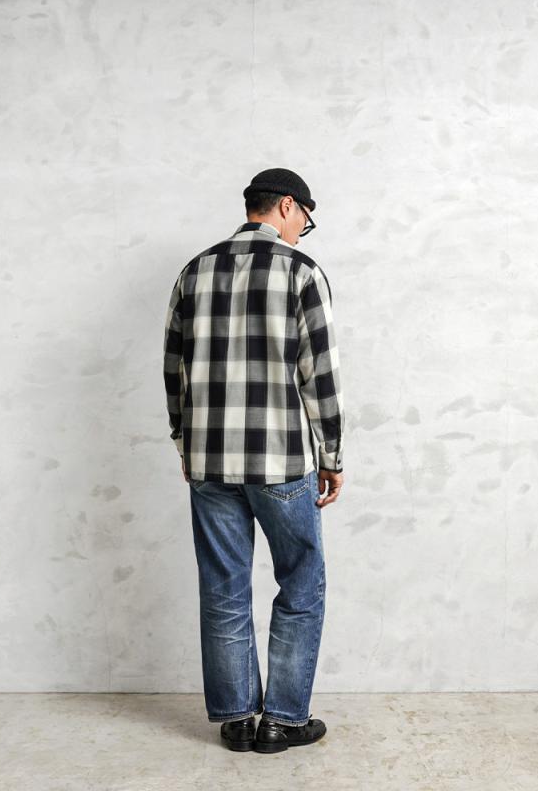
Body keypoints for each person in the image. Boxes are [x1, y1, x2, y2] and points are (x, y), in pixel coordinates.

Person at [163, 168, 345, 753]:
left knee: (223, 588)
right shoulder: (300, 272)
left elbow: (174, 368)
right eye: (304, 220)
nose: (301, 231)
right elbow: (320, 374)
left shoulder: (195, 271)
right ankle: (283, 721)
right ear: (288, 206)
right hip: (281, 460)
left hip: (210, 460)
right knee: (301, 584)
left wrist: (185, 441)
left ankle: (239, 720)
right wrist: (332, 455)